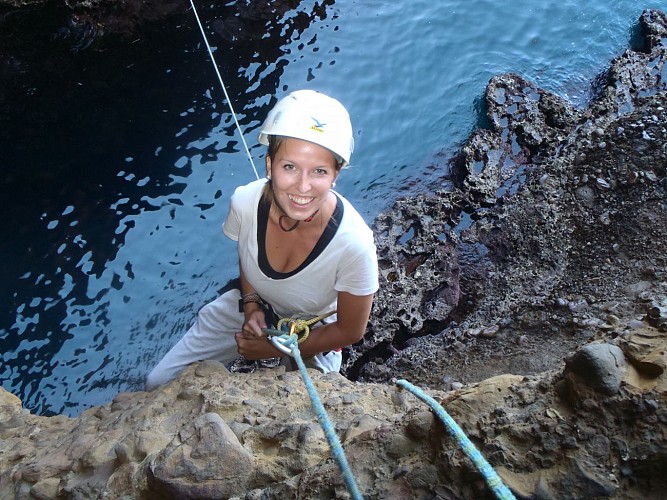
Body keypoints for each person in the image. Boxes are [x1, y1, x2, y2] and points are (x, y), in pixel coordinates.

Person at [146, 89, 379, 390]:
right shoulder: (245, 202)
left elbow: (349, 330)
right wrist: (252, 304)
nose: (303, 186)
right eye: (289, 167)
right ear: (270, 164)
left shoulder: (354, 245)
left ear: (335, 175)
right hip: (254, 303)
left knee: (309, 417)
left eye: (319, 171)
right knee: (158, 383)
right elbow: (248, 255)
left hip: (314, 327)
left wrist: (271, 350)